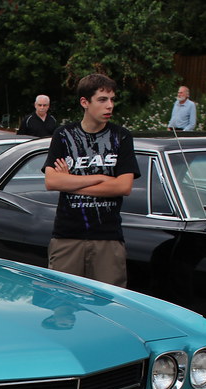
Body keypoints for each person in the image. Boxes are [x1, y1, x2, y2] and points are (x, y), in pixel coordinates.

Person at [42, 73, 140, 287]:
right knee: (62, 305)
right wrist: (101, 179)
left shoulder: (121, 136)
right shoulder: (63, 135)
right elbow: (52, 182)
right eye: (102, 100)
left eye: (112, 100)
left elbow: (123, 186)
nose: (110, 106)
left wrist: (71, 180)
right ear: (85, 102)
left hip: (107, 236)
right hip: (67, 235)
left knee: (108, 307)